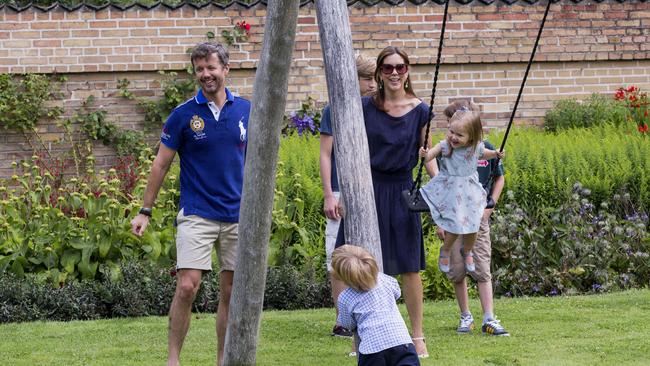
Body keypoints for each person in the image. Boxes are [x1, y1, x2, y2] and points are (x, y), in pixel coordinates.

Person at [130, 42, 250, 366]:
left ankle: (223, 359)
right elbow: (160, 165)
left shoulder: (247, 110)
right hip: (197, 212)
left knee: (230, 292)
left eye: (211, 68)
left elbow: (258, 162)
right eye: (200, 69)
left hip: (238, 215)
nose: (206, 74)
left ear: (226, 69)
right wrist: (145, 210)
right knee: (187, 286)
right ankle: (173, 359)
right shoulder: (183, 115)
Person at [335, 46, 436, 358]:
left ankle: (417, 337)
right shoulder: (364, 106)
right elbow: (346, 146)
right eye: (388, 68)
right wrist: (341, 192)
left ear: (407, 72)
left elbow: (428, 155)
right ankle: (359, 339)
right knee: (357, 263)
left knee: (409, 266)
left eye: (400, 67)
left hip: (403, 189)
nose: (394, 73)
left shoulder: (421, 110)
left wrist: (442, 190)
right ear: (378, 73)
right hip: (368, 188)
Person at [436, 100, 510, 336]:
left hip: (478, 217)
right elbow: (438, 185)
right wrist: (439, 220)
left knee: (481, 265)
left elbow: (499, 178)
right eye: (450, 127)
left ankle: (489, 317)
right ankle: (465, 315)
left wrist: (491, 207)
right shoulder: (446, 151)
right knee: (457, 271)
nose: (453, 134)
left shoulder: (483, 148)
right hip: (453, 217)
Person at [320, 54, 376, 338]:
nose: (373, 84)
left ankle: (372, 312)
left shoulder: (378, 109)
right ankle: (342, 319)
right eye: (367, 78)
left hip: (372, 189)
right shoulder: (334, 109)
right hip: (341, 191)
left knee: (371, 254)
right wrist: (329, 194)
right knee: (338, 257)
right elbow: (325, 154)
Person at [418, 106, 503, 276]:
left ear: (471, 138)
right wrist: (424, 154)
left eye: (459, 135)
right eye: (451, 132)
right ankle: (446, 250)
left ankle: (468, 251)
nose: (453, 137)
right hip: (451, 190)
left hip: (469, 192)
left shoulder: (475, 148)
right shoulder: (445, 146)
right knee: (455, 227)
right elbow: (430, 156)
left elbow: (484, 154)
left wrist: (495, 153)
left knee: (474, 226)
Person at [332, 245, 420, 366]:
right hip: (401, 342)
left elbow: (347, 324)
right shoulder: (383, 279)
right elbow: (397, 292)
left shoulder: (345, 297)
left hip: (372, 350)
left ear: (342, 275)